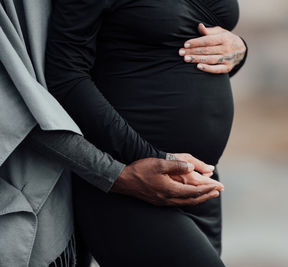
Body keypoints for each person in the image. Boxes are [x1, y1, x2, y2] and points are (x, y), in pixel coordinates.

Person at [0, 0, 224, 266]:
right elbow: (33, 93)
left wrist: (237, 49)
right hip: (134, 176)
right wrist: (117, 173)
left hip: (196, 177)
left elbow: (148, 42)